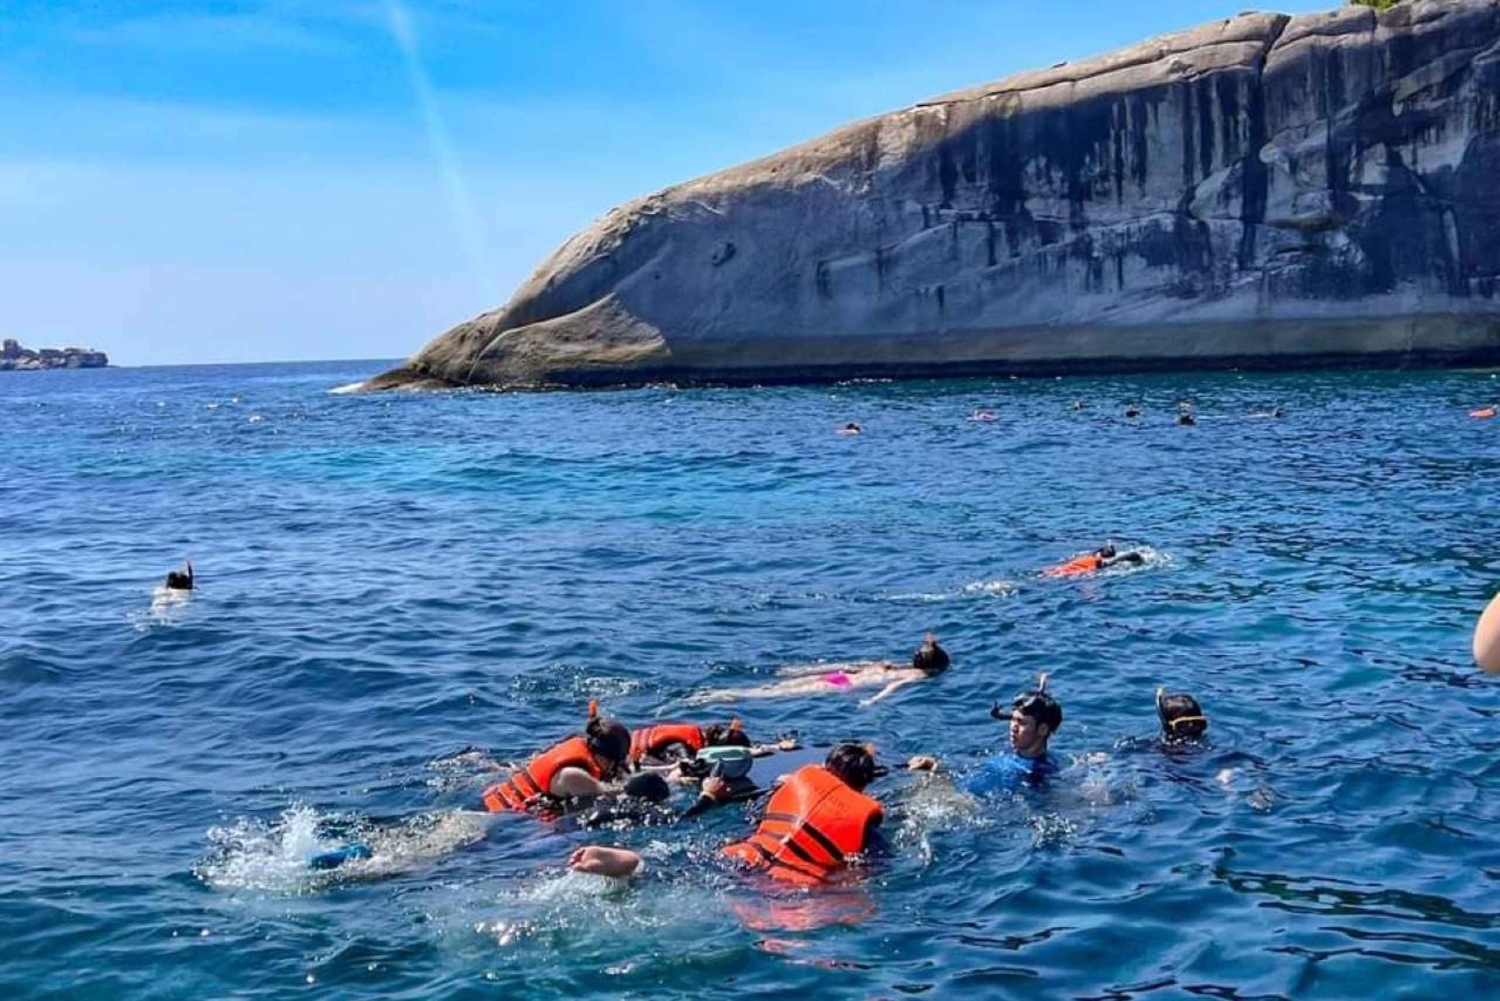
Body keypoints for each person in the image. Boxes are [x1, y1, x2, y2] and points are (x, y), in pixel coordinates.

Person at [570, 743, 885, 884]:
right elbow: (865, 867)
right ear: (864, 785)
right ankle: (635, 867)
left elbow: (756, 818)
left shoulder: (794, 786)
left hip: (744, 854)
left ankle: (636, 862)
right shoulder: (866, 823)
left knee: (686, 870)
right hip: (789, 881)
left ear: (825, 768)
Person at [685, 634, 950, 706]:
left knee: (774, 688)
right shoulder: (916, 675)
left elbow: (852, 666)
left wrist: (800, 671)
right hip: (844, 685)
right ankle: (719, 695)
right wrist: (873, 700)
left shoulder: (895, 664)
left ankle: (717, 692)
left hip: (839, 677)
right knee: (767, 694)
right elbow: (894, 686)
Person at [908, 674, 1062, 795]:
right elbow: (974, 766)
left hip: (967, 805)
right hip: (955, 792)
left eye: (1021, 723)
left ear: (1042, 730)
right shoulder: (1009, 752)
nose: (1013, 727)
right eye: (1013, 720)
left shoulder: (1039, 772)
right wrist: (938, 764)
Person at [479, 702, 631, 814]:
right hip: (504, 816)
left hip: (491, 800)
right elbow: (612, 793)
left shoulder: (575, 745)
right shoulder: (574, 775)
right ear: (608, 760)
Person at [628, 719, 789, 768]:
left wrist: (776, 746)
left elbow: (745, 749)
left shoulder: (700, 736)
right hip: (629, 756)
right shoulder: (681, 746)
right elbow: (688, 765)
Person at [1041, 541, 1145, 578]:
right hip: (1074, 570)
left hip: (1068, 569)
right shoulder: (1098, 560)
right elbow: (1132, 555)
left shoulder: (1090, 557)